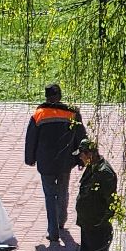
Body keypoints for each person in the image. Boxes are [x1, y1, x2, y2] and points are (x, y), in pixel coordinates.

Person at [24, 83, 86, 242]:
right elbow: (81, 136)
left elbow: (31, 139)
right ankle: (61, 221)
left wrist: (30, 159)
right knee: (63, 191)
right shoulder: (72, 113)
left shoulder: (39, 114)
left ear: (46, 97)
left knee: (49, 195)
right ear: (60, 96)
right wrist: (82, 158)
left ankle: (53, 232)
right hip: (65, 161)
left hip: (46, 163)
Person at [75, 140, 122, 251]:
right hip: (87, 223)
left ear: (90, 154)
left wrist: (103, 221)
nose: (80, 158)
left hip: (97, 224)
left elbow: (112, 201)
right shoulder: (92, 168)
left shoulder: (104, 173)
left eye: (82, 155)